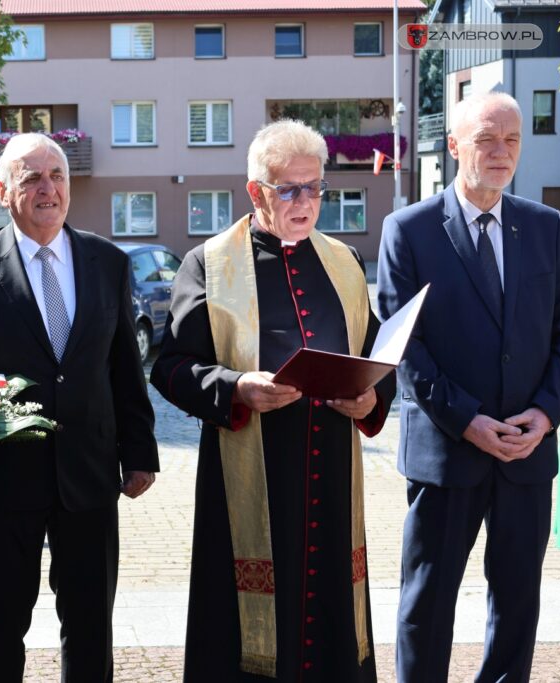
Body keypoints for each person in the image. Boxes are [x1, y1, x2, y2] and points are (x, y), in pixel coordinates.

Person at [151, 120, 394, 682]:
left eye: (315, 188)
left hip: (332, 476)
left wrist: (372, 397)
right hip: (252, 480)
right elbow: (169, 368)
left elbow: (378, 350)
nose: (306, 201)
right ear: (256, 192)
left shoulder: (345, 263)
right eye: (290, 189)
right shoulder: (208, 263)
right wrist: (237, 387)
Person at [0, 133, 158, 682]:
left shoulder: (108, 260)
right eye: (32, 177)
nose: (47, 187)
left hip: (90, 476)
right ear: (4, 191)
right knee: (0, 626)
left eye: (57, 175)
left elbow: (124, 365)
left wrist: (140, 451)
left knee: (91, 624)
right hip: (1, 479)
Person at [377, 91, 560, 682]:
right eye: (487, 139)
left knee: (517, 606)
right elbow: (405, 346)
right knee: (427, 605)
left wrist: (548, 412)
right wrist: (468, 421)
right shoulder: (408, 230)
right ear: (454, 145)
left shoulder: (547, 228)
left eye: (512, 140)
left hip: (526, 453)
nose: (501, 152)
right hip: (448, 452)